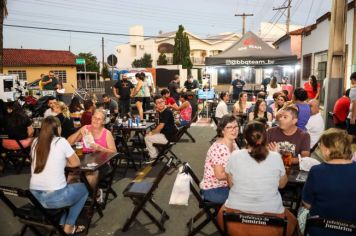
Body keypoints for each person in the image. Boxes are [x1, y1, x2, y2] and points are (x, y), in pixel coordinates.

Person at [218, 121, 296, 236]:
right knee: (293, 219)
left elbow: (231, 185)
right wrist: (276, 156)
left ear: (245, 139)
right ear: (265, 138)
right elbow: (282, 185)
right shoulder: (275, 157)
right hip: (271, 224)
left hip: (233, 221)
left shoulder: (235, 156)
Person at [30, 116, 88, 235]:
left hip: (34, 198)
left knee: (64, 186)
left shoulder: (35, 141)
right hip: (54, 199)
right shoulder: (60, 141)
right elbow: (76, 163)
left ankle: (61, 223)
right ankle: (69, 226)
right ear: (57, 128)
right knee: (85, 189)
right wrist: (63, 161)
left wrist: (59, 162)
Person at [302, 128, 356, 236]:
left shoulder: (316, 171)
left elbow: (307, 203)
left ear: (327, 150)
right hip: (351, 230)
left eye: (320, 146)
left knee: (300, 213)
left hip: (319, 229)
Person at [67, 109, 117, 189]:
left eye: (99, 119)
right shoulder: (85, 128)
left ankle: (93, 195)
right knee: (70, 177)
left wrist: (100, 148)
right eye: (94, 117)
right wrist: (79, 132)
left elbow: (114, 152)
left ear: (103, 122)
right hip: (84, 161)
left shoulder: (107, 133)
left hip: (101, 163)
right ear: (91, 118)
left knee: (89, 177)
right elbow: (68, 143)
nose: (96, 120)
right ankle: (79, 197)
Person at [200, 115, 239, 203]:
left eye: (236, 126)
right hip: (214, 189)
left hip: (227, 184)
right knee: (246, 197)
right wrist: (240, 175)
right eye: (229, 127)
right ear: (222, 130)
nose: (234, 130)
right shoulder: (219, 148)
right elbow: (220, 175)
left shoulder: (233, 142)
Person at [144, 95, 178, 163]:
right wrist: (152, 132)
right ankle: (157, 153)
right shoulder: (162, 111)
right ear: (155, 104)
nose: (160, 104)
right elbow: (158, 124)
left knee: (147, 138)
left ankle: (154, 156)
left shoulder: (167, 112)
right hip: (168, 135)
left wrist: (152, 133)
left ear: (164, 102)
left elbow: (160, 126)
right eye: (158, 103)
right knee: (149, 134)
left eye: (161, 102)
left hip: (168, 138)